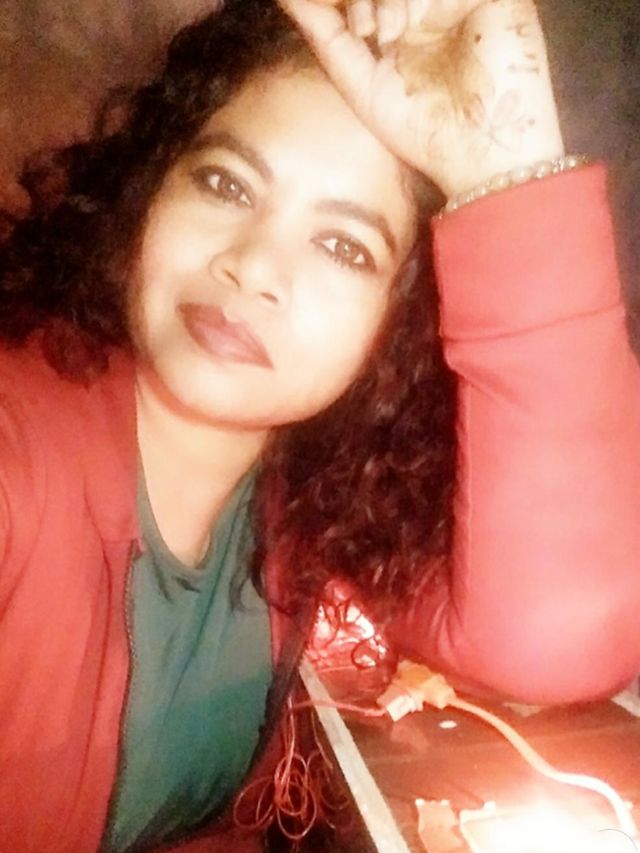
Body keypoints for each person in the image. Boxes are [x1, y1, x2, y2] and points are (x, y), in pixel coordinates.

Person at [1, 0, 640, 850]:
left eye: (343, 246)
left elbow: (559, 637)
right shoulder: (21, 452)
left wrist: (509, 167)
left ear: (395, 326)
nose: (254, 265)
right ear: (148, 191)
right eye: (226, 184)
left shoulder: (302, 500)